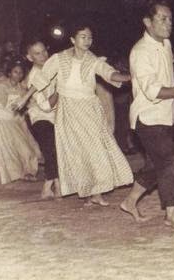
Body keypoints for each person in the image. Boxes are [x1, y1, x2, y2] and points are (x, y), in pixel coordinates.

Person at [18, 22, 133, 205]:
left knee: (97, 148)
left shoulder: (93, 60)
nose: (87, 41)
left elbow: (109, 73)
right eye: (83, 37)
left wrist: (129, 77)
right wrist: (25, 97)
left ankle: (98, 192)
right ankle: (88, 194)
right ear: (72, 40)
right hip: (69, 110)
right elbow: (42, 78)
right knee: (77, 152)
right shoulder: (59, 58)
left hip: (89, 108)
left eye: (90, 37)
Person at [120, 0, 174, 231]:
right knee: (171, 159)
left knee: (156, 165)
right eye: (162, 19)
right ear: (147, 22)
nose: (168, 24)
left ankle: (129, 202)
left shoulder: (166, 43)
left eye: (170, 19)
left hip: (165, 115)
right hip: (147, 116)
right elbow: (151, 89)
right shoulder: (140, 52)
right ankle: (171, 214)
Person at [0, 60, 41, 184]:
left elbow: (28, 103)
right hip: (3, 121)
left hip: (16, 121)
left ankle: (28, 171)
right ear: (9, 73)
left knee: (26, 147)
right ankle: (16, 174)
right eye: (15, 72)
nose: (18, 75)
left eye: (21, 73)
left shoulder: (21, 88)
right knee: (9, 148)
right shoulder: (1, 86)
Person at [25, 40, 60, 199]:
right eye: (37, 53)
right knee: (51, 150)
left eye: (44, 51)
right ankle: (47, 187)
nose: (43, 55)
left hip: (55, 116)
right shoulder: (34, 76)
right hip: (39, 117)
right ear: (29, 57)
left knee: (57, 150)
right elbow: (45, 106)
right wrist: (60, 90)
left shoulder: (51, 68)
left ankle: (57, 186)